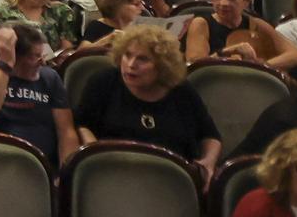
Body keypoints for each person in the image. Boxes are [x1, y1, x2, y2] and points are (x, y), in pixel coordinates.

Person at [73, 22, 222, 172]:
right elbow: (82, 124)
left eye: (142, 59)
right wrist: (93, 149)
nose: (131, 64)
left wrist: (208, 162)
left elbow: (210, 135)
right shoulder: (104, 82)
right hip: (112, 172)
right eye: (127, 55)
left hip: (172, 178)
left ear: (163, 65)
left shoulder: (181, 90)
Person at [0, 23, 79, 164]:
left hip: (42, 167)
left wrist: (65, 176)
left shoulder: (50, 77)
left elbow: (66, 132)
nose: (42, 63)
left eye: (43, 54)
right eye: (35, 56)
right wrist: (5, 65)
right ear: (13, 56)